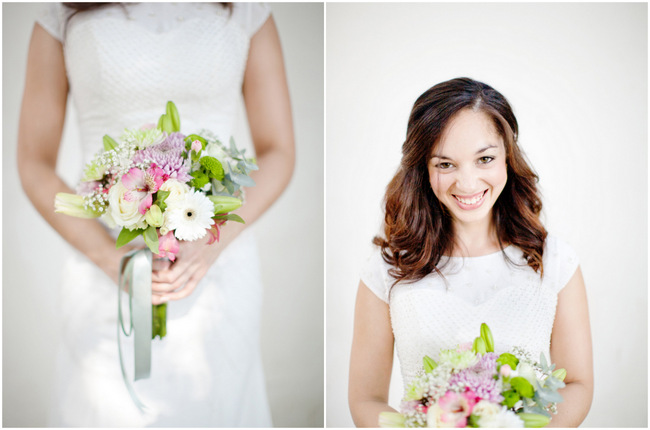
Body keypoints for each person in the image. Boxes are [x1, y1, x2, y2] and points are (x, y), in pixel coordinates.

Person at [17, 2, 294, 427]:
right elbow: (33, 160)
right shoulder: (60, 10)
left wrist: (208, 243)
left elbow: (279, 150)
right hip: (103, 267)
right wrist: (114, 260)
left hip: (216, 261)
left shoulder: (247, 9)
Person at [348, 78, 593, 427]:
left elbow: (577, 384)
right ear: (423, 169)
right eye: (445, 164)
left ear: (508, 157)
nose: (467, 183)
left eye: (485, 159)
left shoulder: (555, 261)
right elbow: (365, 399)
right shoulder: (388, 268)